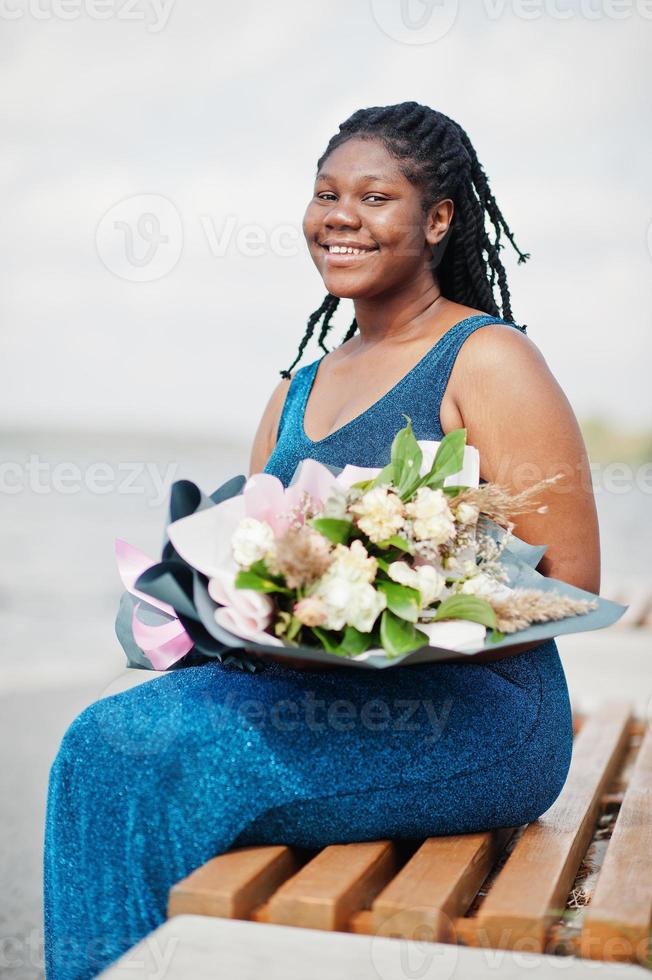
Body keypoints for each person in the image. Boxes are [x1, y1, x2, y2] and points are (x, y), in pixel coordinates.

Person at [43, 102, 600, 979]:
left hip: (482, 717)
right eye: (325, 194)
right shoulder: (295, 393)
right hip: (313, 697)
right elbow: (256, 564)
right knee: (104, 736)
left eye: (375, 197)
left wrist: (394, 590)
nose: (340, 216)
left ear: (439, 218)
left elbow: (568, 578)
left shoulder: (488, 360)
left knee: (135, 761)